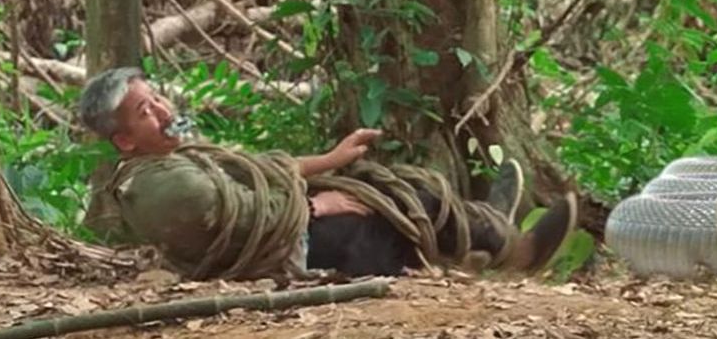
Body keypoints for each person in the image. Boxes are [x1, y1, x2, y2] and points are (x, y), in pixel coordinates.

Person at [78, 66, 577, 280]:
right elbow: (240, 218)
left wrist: (334, 160)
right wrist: (315, 206)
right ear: (123, 140)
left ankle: (479, 231)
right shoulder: (159, 186)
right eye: (146, 111)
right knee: (392, 214)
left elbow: (260, 171)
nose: (163, 110)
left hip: (288, 235)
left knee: (385, 184)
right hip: (286, 257)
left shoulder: (173, 157)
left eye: (158, 97)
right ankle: (516, 250)